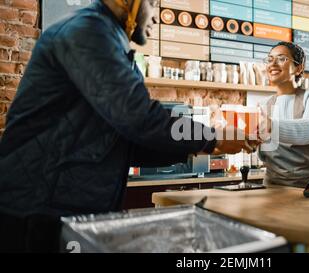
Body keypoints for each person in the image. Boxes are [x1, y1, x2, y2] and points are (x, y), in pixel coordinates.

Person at [0, 0, 257, 252]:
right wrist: (211, 137)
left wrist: (203, 147)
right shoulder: (89, 32)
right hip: (36, 210)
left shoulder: (109, 42)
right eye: (153, 4)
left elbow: (127, 142)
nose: (156, 16)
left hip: (61, 207)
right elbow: (140, 118)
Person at [258, 42, 309, 188]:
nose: (273, 64)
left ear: (299, 68)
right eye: (270, 59)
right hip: (273, 186)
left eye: (281, 58)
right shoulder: (264, 105)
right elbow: (260, 147)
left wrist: (270, 126)